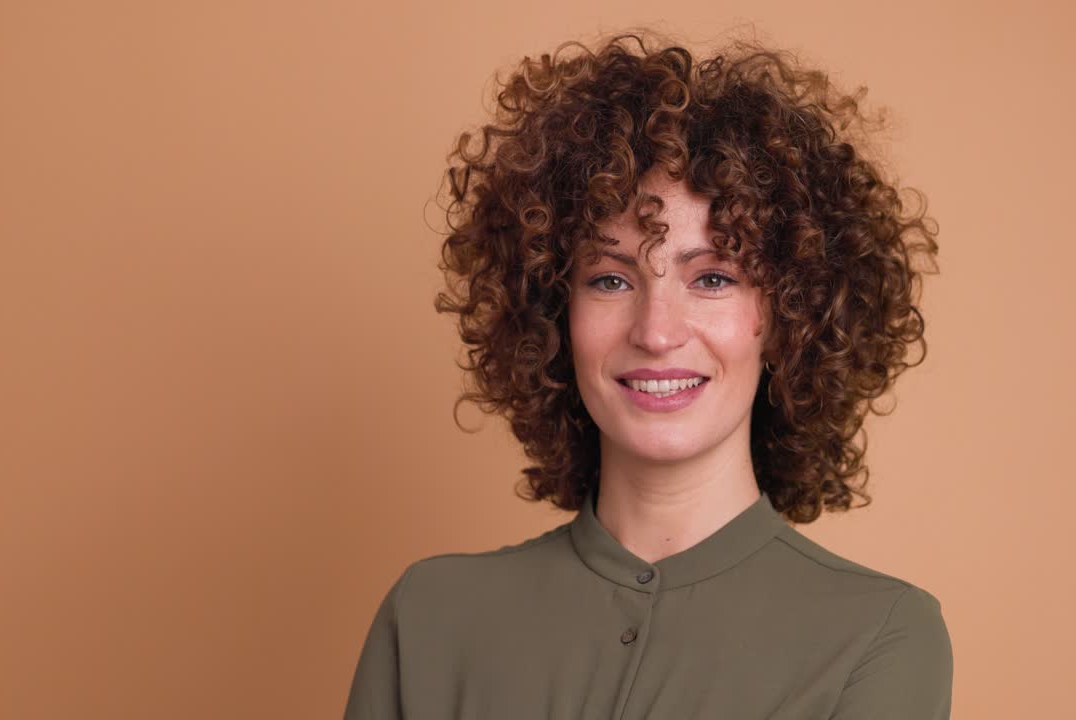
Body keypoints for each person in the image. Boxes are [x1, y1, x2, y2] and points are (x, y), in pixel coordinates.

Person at [344, 28, 950, 720]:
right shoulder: (428, 619)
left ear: (790, 313)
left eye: (714, 277)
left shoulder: (881, 636)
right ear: (551, 313)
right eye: (609, 279)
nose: (656, 331)